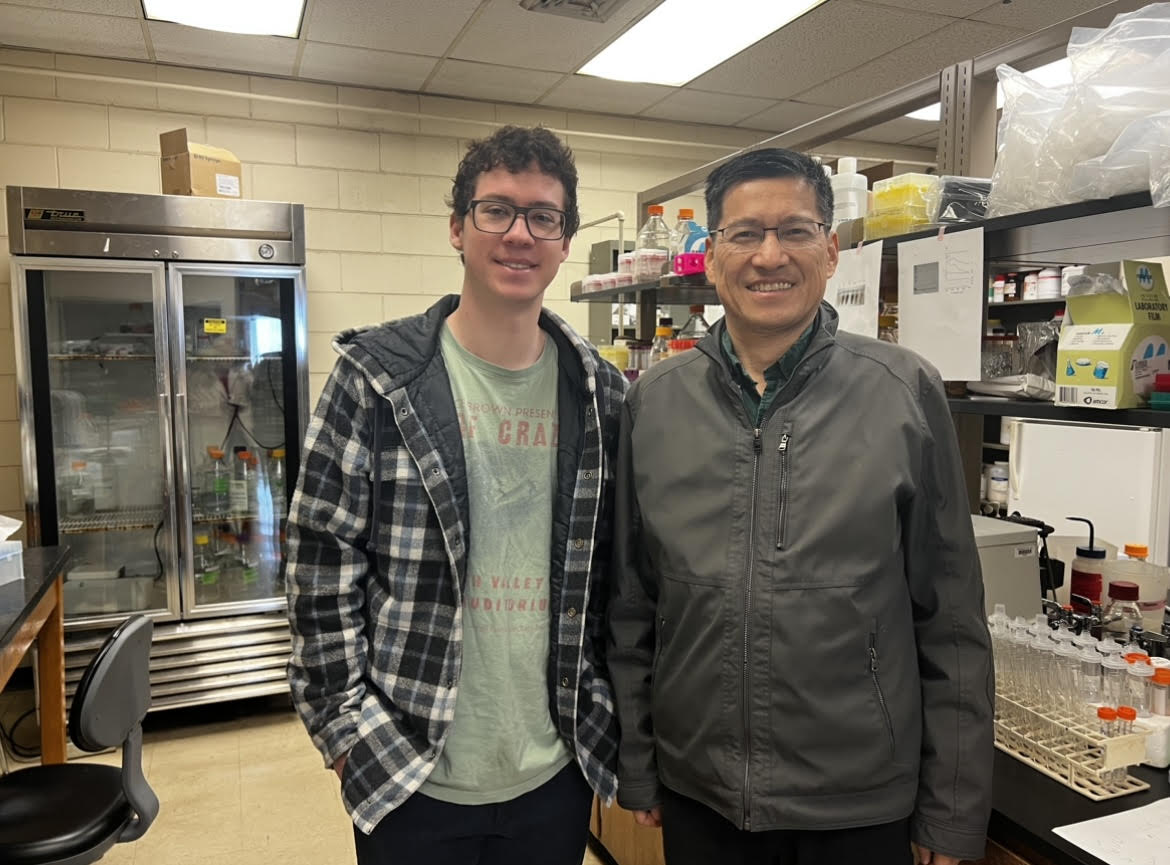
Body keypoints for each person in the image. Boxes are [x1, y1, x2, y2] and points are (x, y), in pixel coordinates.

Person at [608, 148, 994, 865]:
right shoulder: (655, 402)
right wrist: (639, 758)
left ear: (832, 249)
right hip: (702, 791)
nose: (770, 256)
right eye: (745, 233)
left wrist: (951, 807)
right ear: (712, 256)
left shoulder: (903, 393)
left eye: (796, 230)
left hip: (858, 800)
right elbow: (632, 603)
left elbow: (951, 619)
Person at [286, 125, 626, 865]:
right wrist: (344, 735)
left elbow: (617, 575)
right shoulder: (376, 378)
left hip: (555, 766)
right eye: (496, 209)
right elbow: (320, 561)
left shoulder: (600, 393)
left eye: (544, 216)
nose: (519, 234)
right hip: (411, 772)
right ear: (457, 226)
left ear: (565, 239)